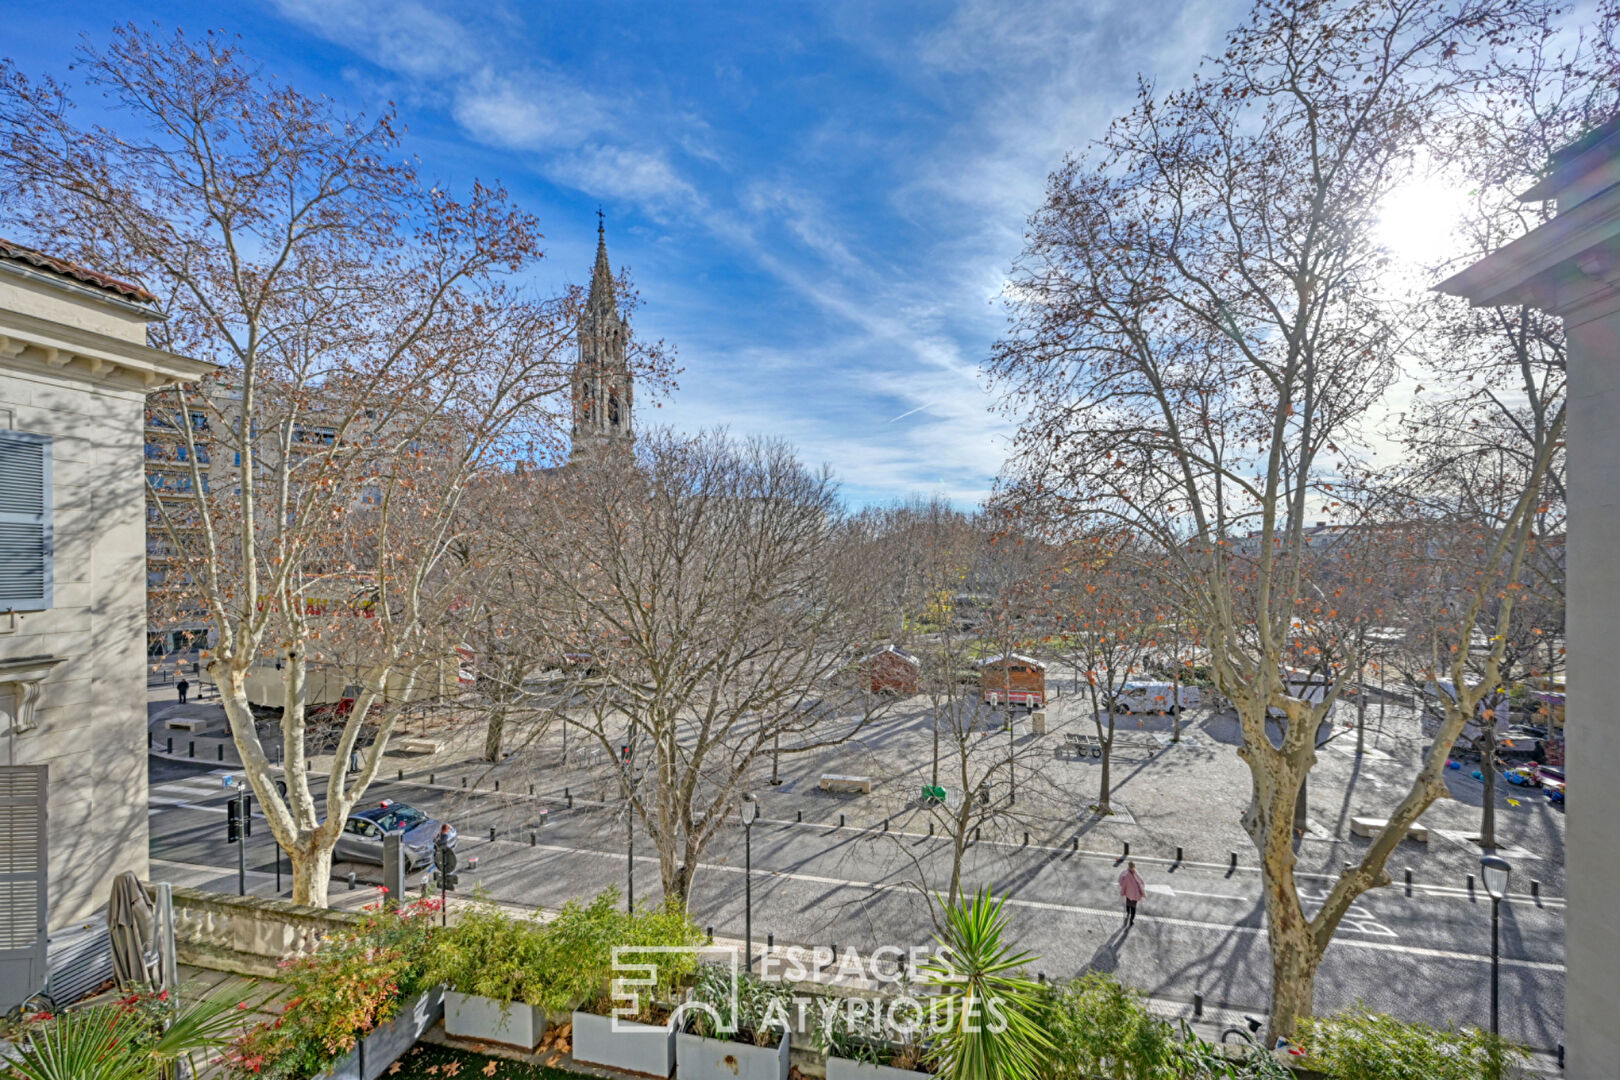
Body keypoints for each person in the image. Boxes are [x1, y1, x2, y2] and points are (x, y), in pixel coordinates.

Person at [1119, 860, 1145, 926]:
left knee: (1128, 904)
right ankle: (1131, 920)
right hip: (1135, 895)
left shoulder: (1126, 874)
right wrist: (1142, 893)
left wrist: (1122, 892)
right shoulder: (1136, 875)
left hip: (1128, 893)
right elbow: (1141, 883)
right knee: (1133, 908)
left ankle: (1128, 913)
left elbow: (1123, 883)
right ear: (1134, 867)